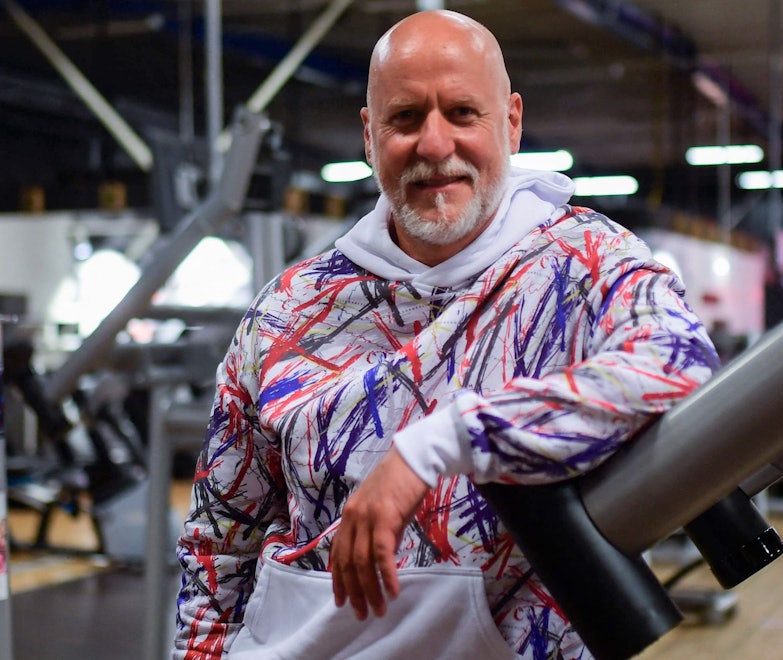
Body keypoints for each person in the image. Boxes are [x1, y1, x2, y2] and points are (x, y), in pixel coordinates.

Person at [174, 9, 719, 659]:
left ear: (511, 122)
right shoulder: (289, 310)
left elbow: (680, 363)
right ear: (370, 137)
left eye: (463, 113)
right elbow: (218, 543)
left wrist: (440, 444)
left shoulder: (587, 264)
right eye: (405, 118)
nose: (435, 145)